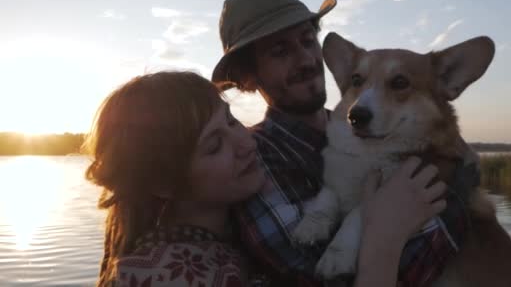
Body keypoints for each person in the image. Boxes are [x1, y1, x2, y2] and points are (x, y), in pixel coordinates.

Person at [211, 0, 479, 286]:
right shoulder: (255, 159)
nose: (306, 60)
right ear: (248, 76)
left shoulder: (383, 134)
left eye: (308, 40)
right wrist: (458, 192)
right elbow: (327, 278)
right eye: (280, 51)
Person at [84, 71, 447, 286]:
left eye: (230, 120)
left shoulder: (231, 235)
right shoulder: (167, 275)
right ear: (163, 183)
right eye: (214, 146)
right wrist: (384, 237)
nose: (244, 142)